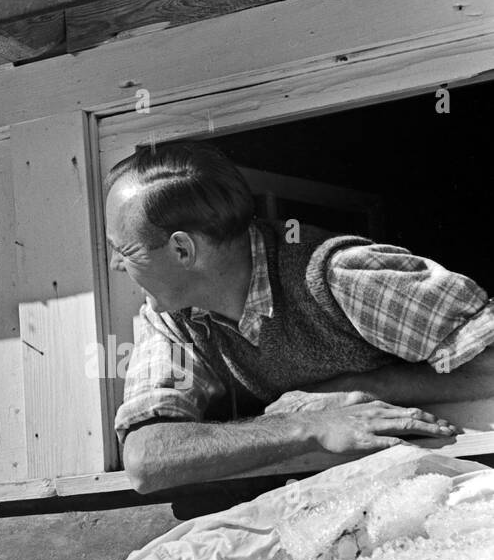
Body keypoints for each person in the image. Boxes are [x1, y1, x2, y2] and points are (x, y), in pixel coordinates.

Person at [106, 140, 494, 494]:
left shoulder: (340, 276)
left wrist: (357, 388)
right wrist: (308, 426)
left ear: (182, 251)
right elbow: (146, 459)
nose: (115, 264)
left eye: (124, 250)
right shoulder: (173, 318)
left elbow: (489, 365)